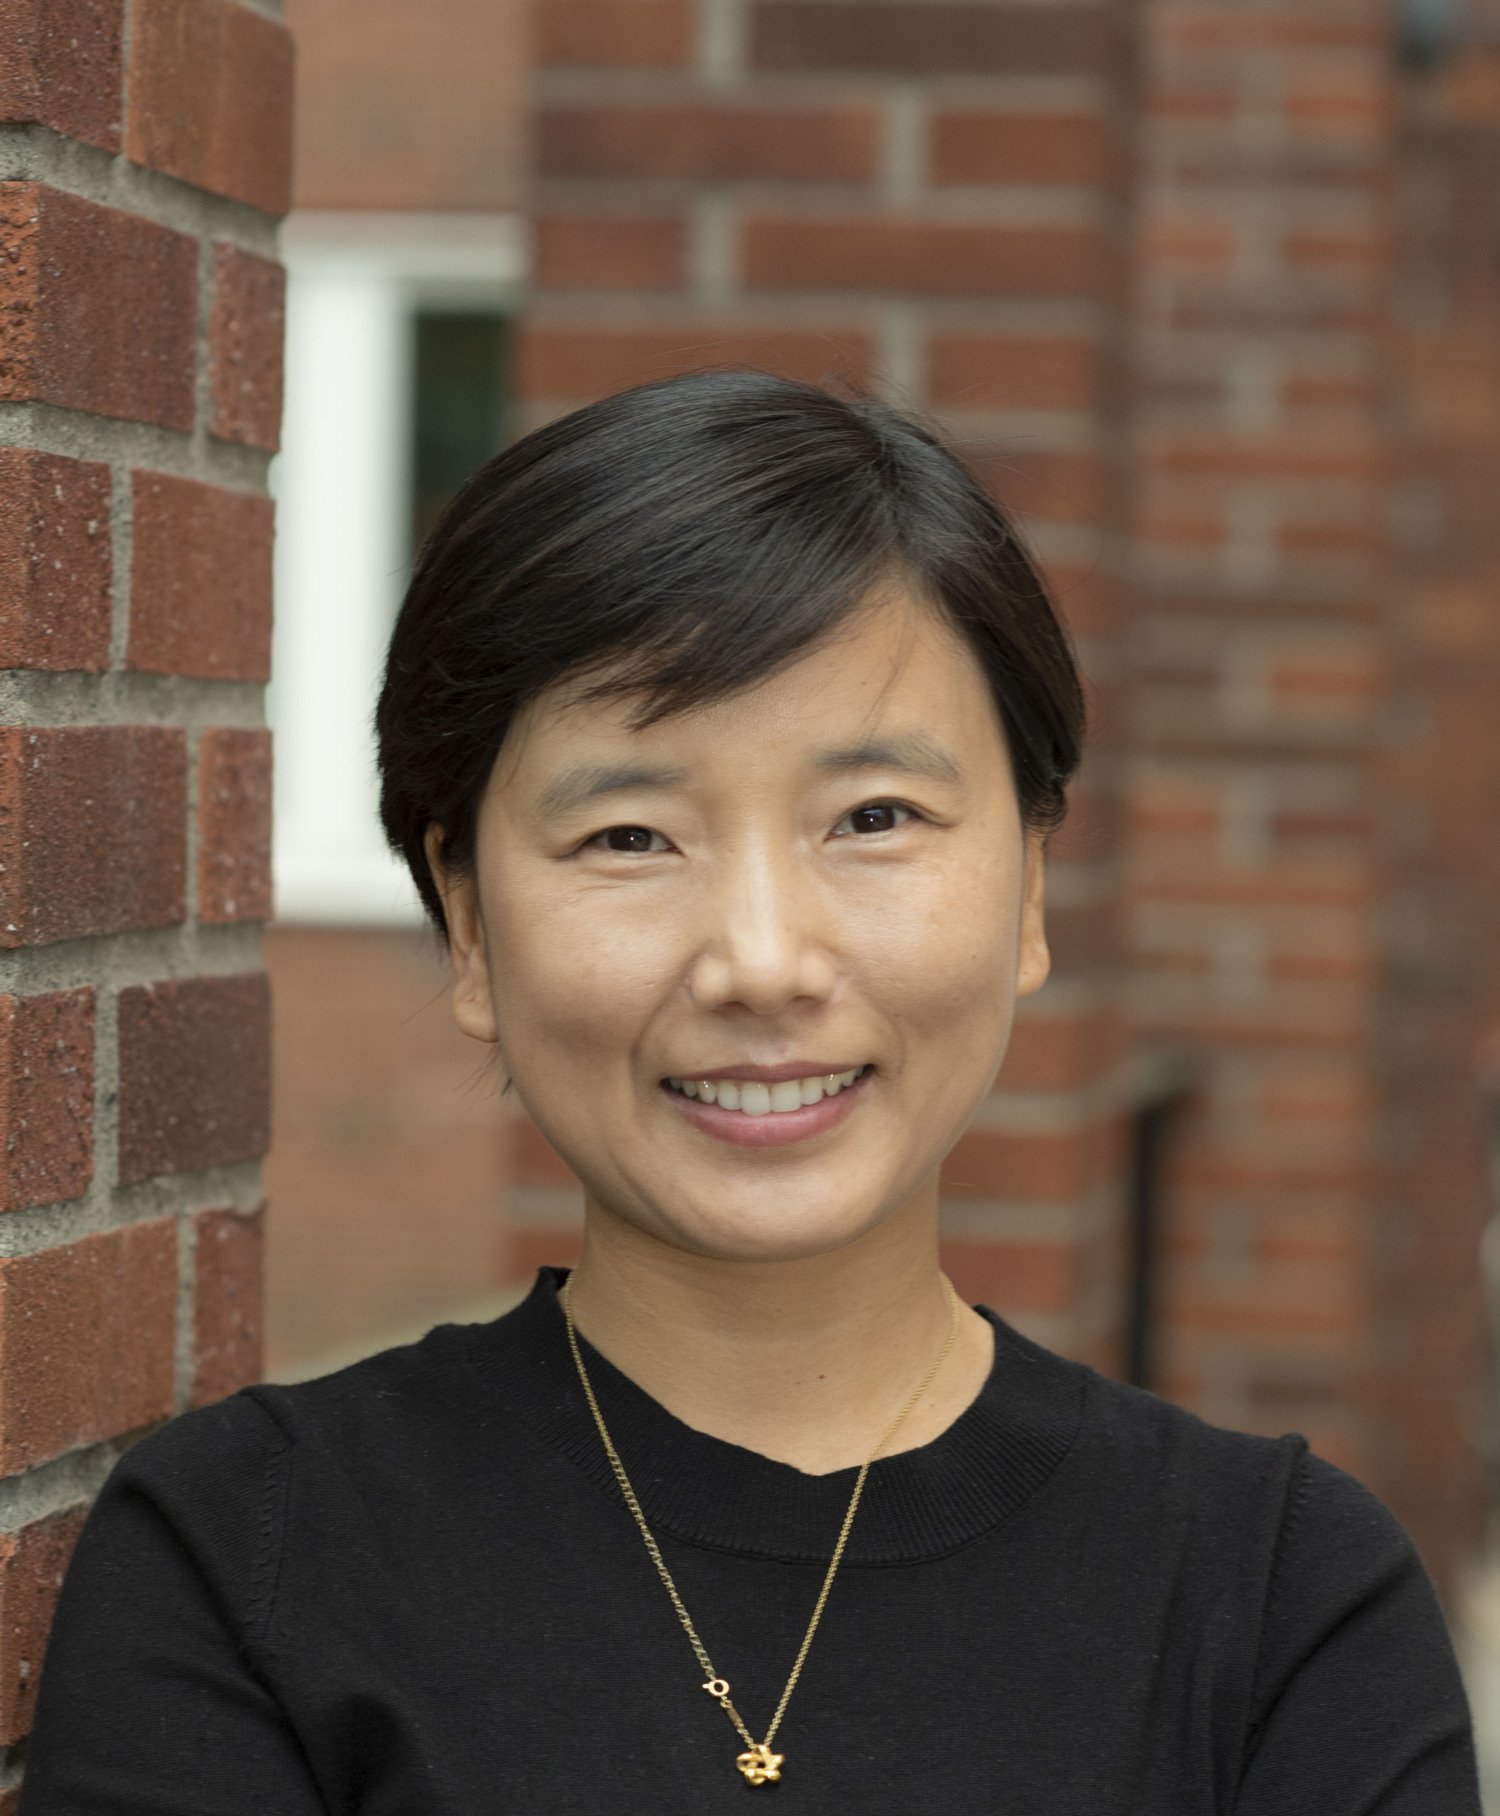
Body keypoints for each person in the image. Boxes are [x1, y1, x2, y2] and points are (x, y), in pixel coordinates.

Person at [17, 371, 1483, 1812]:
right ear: (468, 923)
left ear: (1031, 883)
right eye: (632, 837)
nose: (763, 962)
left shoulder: (1283, 1601)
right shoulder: (252, 1560)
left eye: (874, 818)